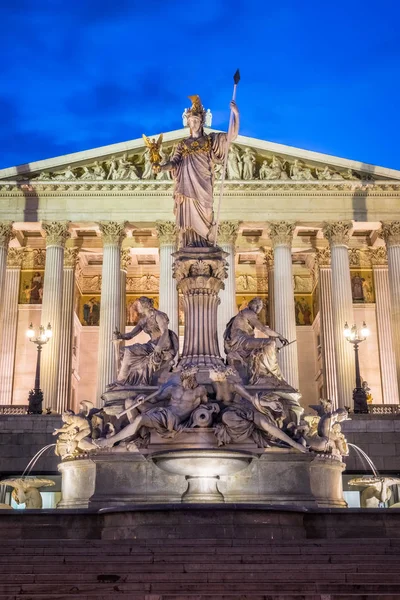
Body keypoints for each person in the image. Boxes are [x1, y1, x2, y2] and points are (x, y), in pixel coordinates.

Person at [153, 95, 239, 247]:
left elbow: (231, 136)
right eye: (191, 121)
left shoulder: (210, 140)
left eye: (196, 121)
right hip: (187, 188)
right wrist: (161, 167)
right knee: (188, 221)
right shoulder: (182, 144)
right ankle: (191, 245)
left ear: (201, 122)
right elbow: (174, 163)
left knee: (207, 212)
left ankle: (206, 241)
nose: (193, 124)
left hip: (204, 184)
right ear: (188, 122)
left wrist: (235, 114)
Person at [97, 369, 207, 448]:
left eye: (192, 378)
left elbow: (206, 404)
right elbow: (156, 399)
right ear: (183, 377)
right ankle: (137, 434)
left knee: (139, 419)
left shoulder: (200, 390)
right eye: (188, 378)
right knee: (130, 402)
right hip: (162, 412)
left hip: (172, 419)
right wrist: (142, 398)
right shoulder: (174, 389)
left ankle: (110, 441)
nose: (190, 381)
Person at [109, 296, 178, 387]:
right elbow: (131, 335)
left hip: (162, 345)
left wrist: (158, 348)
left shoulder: (158, 315)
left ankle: (121, 380)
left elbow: (165, 332)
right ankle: (125, 379)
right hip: (151, 345)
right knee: (123, 351)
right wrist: (120, 336)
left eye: (138, 305)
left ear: (144, 305)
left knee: (129, 351)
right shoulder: (143, 320)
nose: (137, 308)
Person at [224, 297, 288, 383]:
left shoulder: (243, 313)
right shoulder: (248, 312)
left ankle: (265, 373)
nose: (259, 309)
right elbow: (263, 329)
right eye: (258, 306)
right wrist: (279, 336)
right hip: (241, 341)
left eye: (260, 306)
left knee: (265, 348)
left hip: (241, 341)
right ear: (254, 306)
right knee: (270, 343)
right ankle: (274, 374)